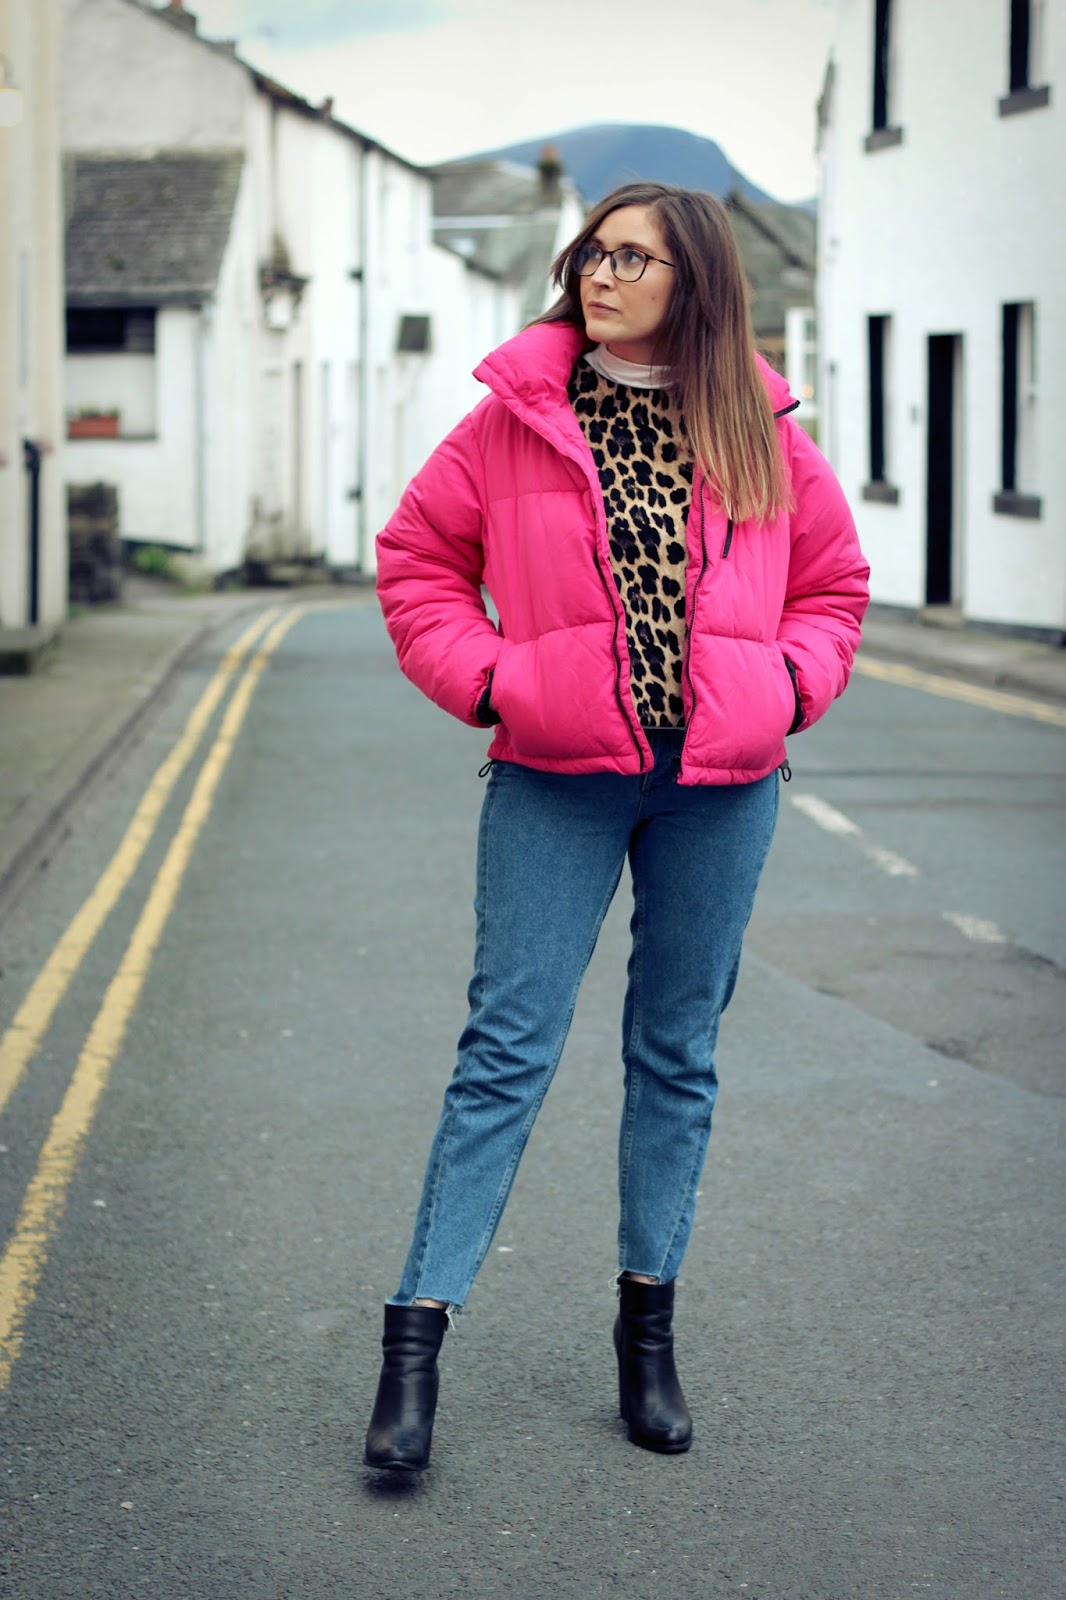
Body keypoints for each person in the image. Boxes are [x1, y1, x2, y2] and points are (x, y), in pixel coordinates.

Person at [364, 182, 869, 1472]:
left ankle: (648, 1342)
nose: (601, 272)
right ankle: (413, 1352)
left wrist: (790, 687)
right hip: (555, 777)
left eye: (634, 257)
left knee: (676, 1056)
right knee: (505, 1052)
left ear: (694, 280)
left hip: (721, 786)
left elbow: (832, 584)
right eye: (593, 251)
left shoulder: (759, 428)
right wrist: (492, 683)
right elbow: (417, 560)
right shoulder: (514, 418)